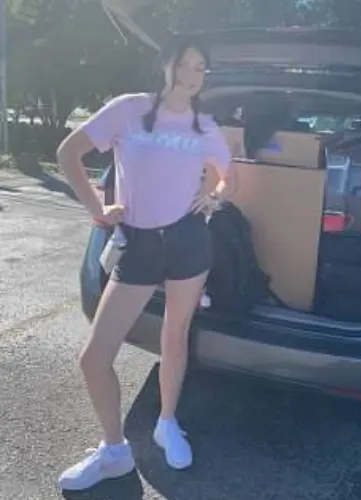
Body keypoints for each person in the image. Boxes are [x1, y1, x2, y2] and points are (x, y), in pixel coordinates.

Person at [56, 36, 234, 491]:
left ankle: (167, 422)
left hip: (189, 242)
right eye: (186, 64)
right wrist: (99, 208)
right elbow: (68, 154)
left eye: (201, 68)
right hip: (138, 245)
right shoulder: (128, 109)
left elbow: (228, 174)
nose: (192, 75)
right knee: (94, 356)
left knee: (174, 339)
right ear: (166, 62)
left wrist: (211, 196)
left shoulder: (205, 125)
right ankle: (114, 450)